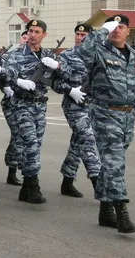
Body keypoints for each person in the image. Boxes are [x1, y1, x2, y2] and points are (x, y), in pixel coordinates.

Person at [76, 14, 135, 234]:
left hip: (126, 117)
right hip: (105, 114)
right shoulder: (98, 50)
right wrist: (102, 31)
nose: (117, 30)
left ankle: (105, 211)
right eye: (113, 26)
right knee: (115, 163)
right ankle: (121, 212)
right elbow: (82, 53)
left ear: (128, 31)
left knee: (110, 164)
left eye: (121, 26)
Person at [7, 19, 71, 204]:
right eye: (30, 31)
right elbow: (6, 74)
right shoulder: (17, 54)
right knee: (31, 144)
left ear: (44, 35)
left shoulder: (48, 54)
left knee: (34, 146)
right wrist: (19, 81)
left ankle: (26, 187)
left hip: (40, 105)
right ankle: (34, 186)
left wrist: (58, 66)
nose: (33, 35)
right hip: (22, 104)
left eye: (37, 32)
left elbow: (64, 76)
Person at [52, 24, 100, 197]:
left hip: (92, 106)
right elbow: (55, 82)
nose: (80, 38)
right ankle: (99, 184)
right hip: (73, 106)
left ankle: (67, 181)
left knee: (77, 143)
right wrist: (70, 90)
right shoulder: (66, 56)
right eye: (78, 34)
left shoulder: (98, 55)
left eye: (83, 35)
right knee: (87, 140)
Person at [1, 30, 29, 186]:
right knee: (18, 133)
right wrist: (6, 86)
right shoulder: (9, 56)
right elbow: (2, 75)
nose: (26, 40)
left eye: (28, 37)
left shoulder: (35, 56)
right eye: (24, 37)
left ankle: (18, 167)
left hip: (28, 103)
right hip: (11, 101)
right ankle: (12, 169)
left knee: (22, 135)